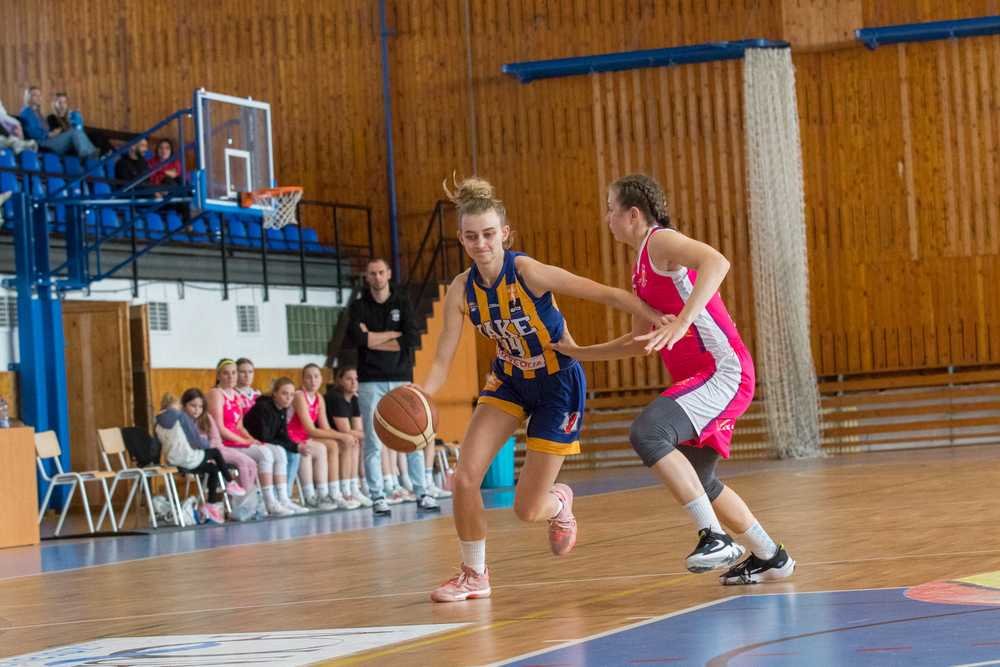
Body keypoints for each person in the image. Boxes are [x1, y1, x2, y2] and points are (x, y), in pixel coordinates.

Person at [420, 176, 666, 602]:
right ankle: (474, 574)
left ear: (505, 233)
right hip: (510, 380)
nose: (481, 243)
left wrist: (658, 317)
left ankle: (560, 503)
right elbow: (442, 357)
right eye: (472, 236)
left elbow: (605, 294)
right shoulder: (462, 289)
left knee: (527, 509)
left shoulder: (528, 272)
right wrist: (421, 395)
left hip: (557, 384)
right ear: (461, 238)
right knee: (464, 478)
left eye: (489, 234)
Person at [552, 173, 795, 585]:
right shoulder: (640, 267)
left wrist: (683, 321)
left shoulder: (660, 241)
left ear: (633, 214)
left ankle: (714, 536)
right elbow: (639, 340)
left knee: (648, 432)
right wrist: (580, 352)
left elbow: (717, 262)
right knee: (702, 480)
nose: (607, 218)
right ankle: (771, 556)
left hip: (724, 371)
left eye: (611, 209)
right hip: (706, 378)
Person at [345, 257, 439, 515]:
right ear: (367, 277)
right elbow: (359, 339)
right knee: (373, 442)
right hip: (370, 381)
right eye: (372, 273)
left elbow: (411, 338)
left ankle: (422, 492)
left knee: (414, 436)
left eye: (381, 272)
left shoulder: (402, 302)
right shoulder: (359, 306)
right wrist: (392, 335)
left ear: (388, 274)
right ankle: (378, 496)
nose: (377, 277)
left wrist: (374, 338)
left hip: (401, 377)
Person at [206, 359, 303, 516]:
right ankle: (269, 502)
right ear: (218, 375)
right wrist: (245, 441)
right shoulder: (215, 393)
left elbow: (239, 426)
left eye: (233, 373)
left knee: (279, 451)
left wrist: (251, 439)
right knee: (265, 453)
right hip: (224, 443)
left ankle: (283, 498)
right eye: (226, 373)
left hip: (237, 441)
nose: (231, 377)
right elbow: (220, 428)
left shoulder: (236, 395)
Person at [286, 364, 359, 510]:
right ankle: (312, 495)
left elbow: (325, 427)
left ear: (321, 379)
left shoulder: (319, 397)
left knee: (338, 444)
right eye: (309, 377)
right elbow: (310, 429)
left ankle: (336, 492)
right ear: (302, 379)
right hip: (292, 436)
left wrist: (343, 437)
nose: (313, 380)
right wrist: (342, 435)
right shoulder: (299, 396)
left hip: (305, 436)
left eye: (316, 376)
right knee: (326, 446)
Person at [155, 394, 245, 506]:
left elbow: (156, 445)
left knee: (213, 469)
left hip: (172, 460)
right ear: (177, 405)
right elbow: (195, 440)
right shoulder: (181, 416)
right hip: (187, 458)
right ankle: (230, 483)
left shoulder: (157, 423)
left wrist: (157, 462)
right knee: (215, 452)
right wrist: (206, 444)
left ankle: (211, 504)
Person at [243, 376, 311, 514]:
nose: (288, 398)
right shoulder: (263, 407)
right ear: (275, 393)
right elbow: (265, 436)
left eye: (291, 395)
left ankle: (284, 498)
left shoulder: (282, 408)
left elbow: (282, 435)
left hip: (264, 443)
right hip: (250, 442)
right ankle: (270, 501)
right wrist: (293, 446)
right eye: (284, 393)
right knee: (277, 451)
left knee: (284, 451)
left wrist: (296, 446)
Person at [181, 388, 259, 498]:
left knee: (251, 462)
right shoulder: (181, 421)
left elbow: (216, 438)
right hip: (201, 455)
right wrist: (208, 451)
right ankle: (245, 496)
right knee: (241, 461)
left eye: (200, 407)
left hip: (217, 449)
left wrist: (211, 448)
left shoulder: (206, 417)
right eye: (193, 406)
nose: (197, 410)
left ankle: (247, 494)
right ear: (184, 405)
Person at [325, 366, 373, 507]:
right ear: (340, 380)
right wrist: (370, 434)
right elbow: (345, 430)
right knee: (352, 442)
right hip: (327, 434)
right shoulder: (335, 397)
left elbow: (357, 429)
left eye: (356, 379)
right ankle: (345, 490)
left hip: (340, 435)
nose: (354, 382)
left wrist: (367, 435)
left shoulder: (354, 398)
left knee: (360, 441)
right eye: (349, 379)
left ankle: (358, 486)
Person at [18, 86, 98, 159]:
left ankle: (92, 156)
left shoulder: (37, 113)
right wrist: (49, 134)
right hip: (41, 144)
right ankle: (90, 158)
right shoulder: (27, 112)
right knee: (74, 132)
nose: (39, 97)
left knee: (77, 131)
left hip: (48, 141)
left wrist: (53, 133)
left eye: (40, 95)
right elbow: (32, 132)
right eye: (35, 95)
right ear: (28, 97)